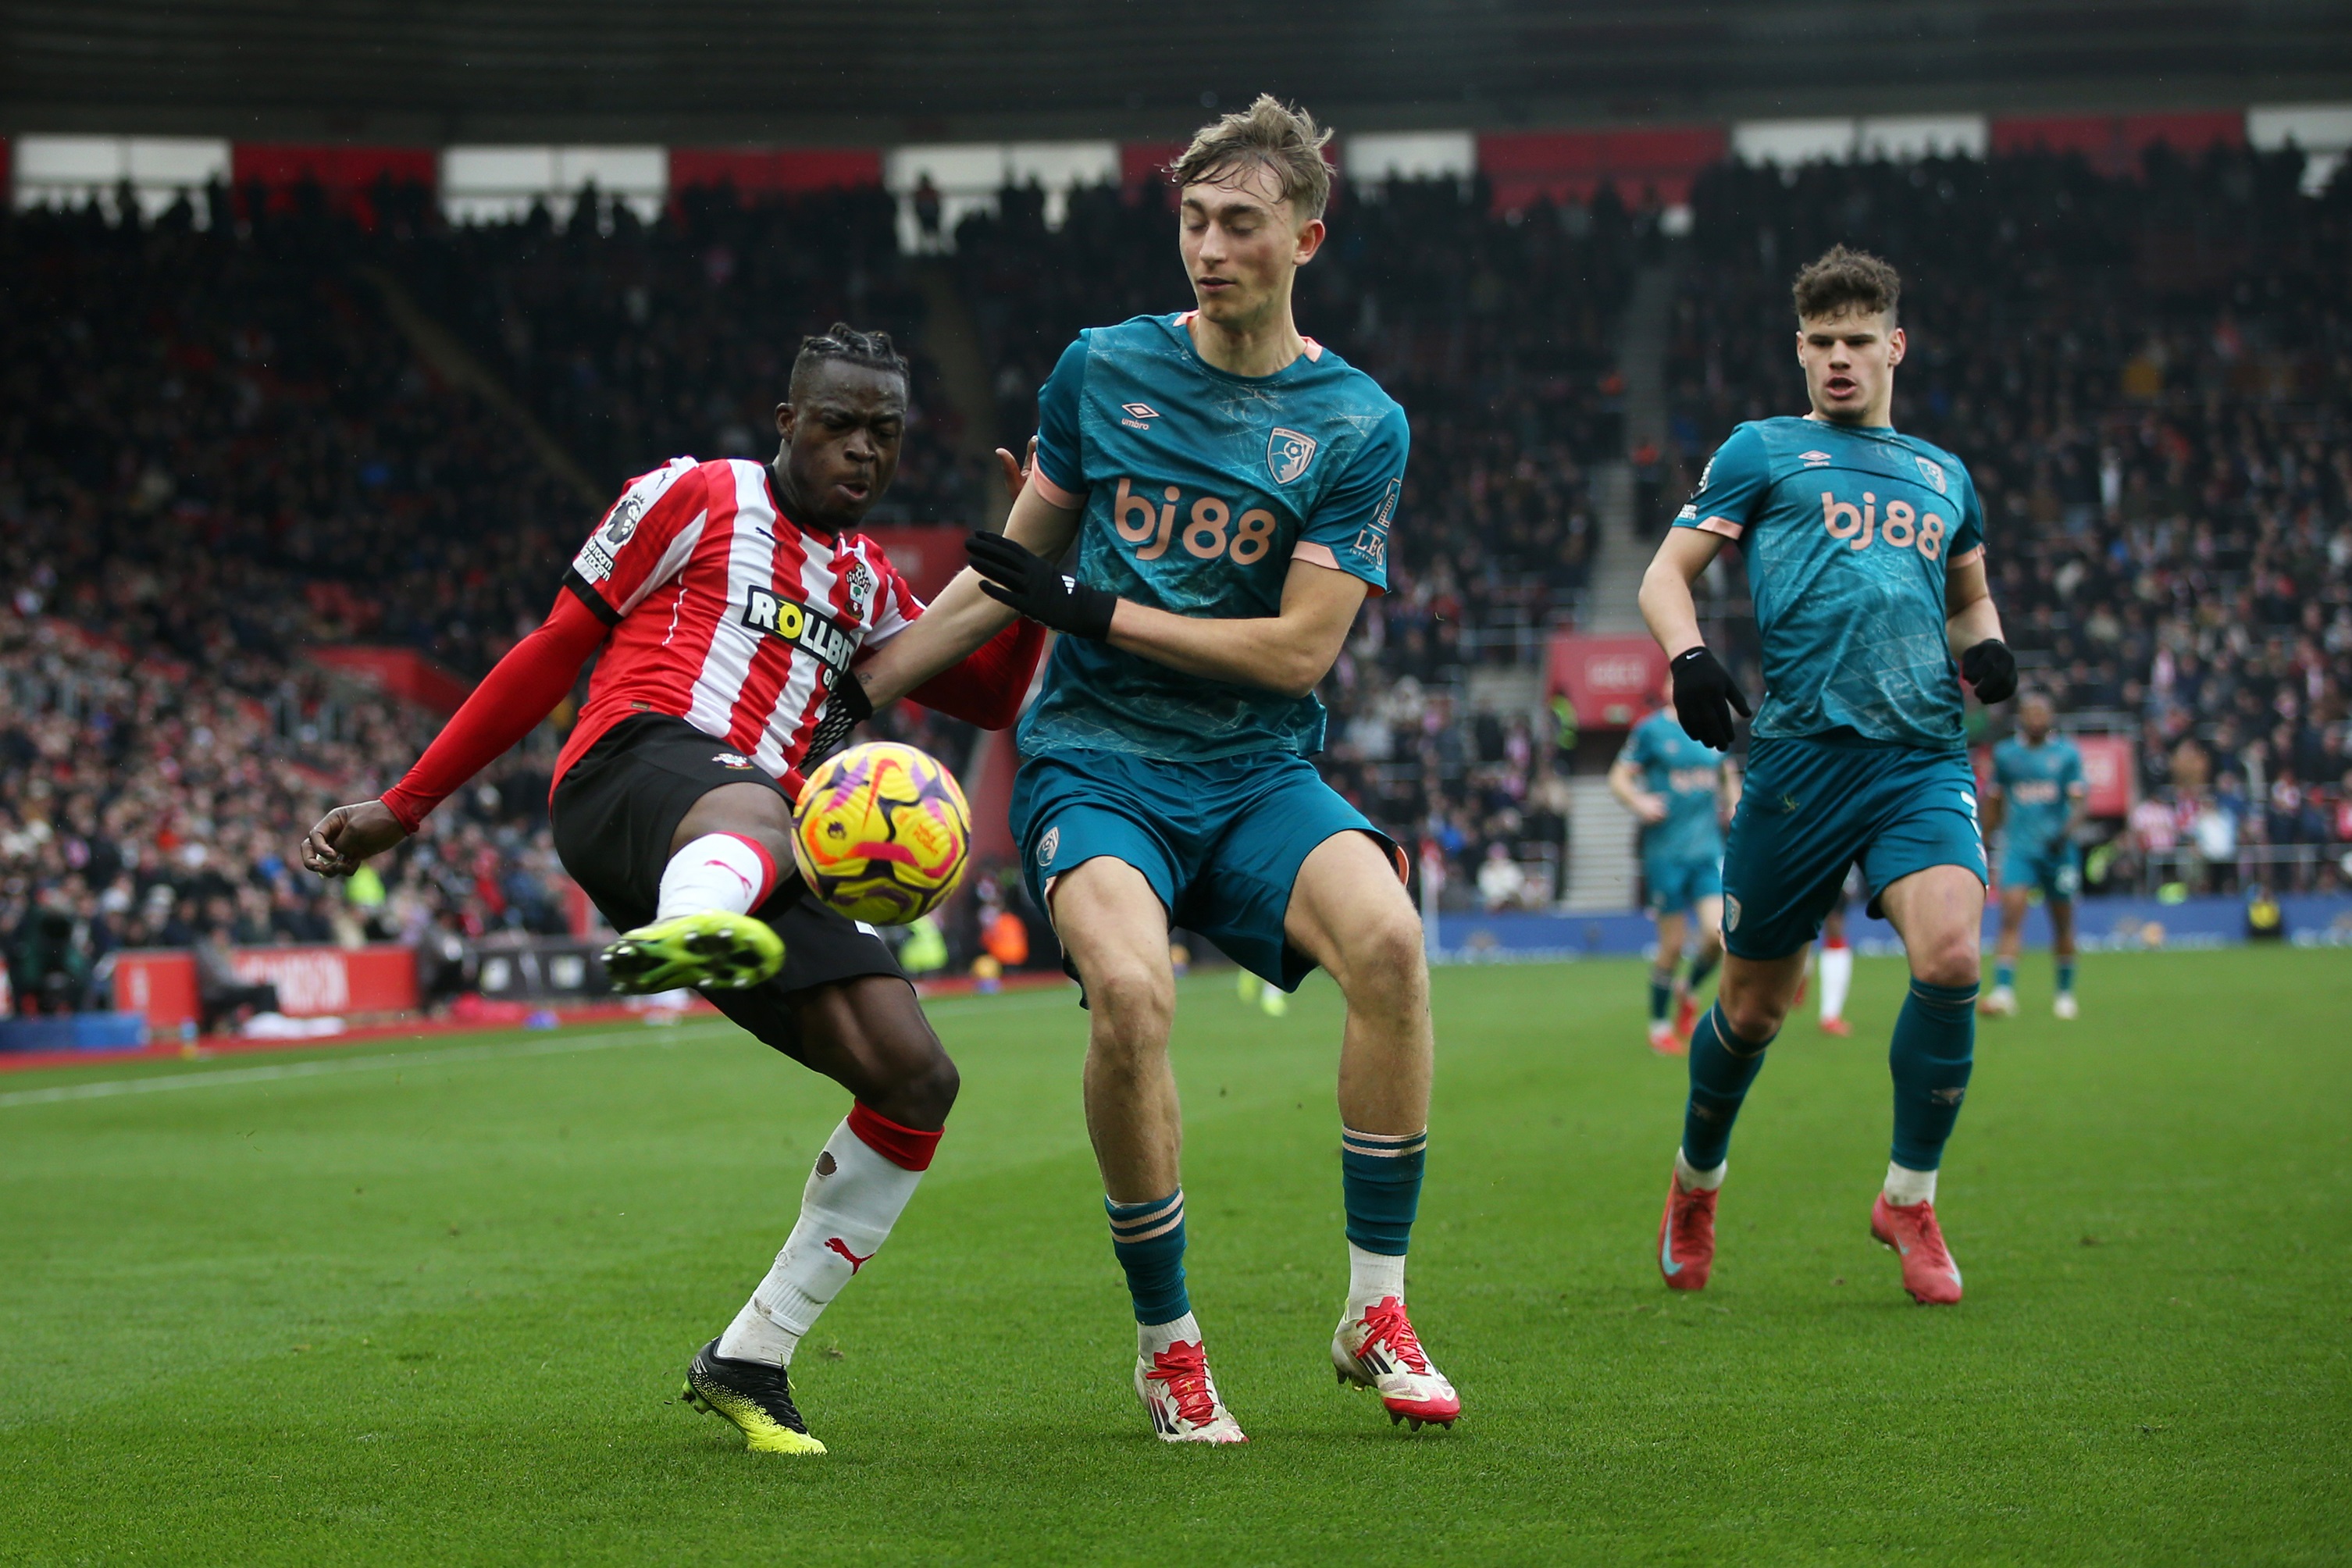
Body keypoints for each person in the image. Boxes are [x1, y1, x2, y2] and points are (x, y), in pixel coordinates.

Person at [299, 326, 1044, 1456]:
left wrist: (1038, 552)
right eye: (837, 423)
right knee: (756, 804)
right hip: (630, 774)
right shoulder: (692, 495)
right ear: (786, 420)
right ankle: (697, 927)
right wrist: (407, 805)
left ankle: (751, 1354)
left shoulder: (867, 580)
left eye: (883, 433)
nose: (860, 450)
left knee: (915, 1076)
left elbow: (988, 695)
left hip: (768, 846)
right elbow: (555, 646)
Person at [853, 97, 1457, 1442]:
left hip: (1253, 768)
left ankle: (1374, 1304)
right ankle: (1168, 1342)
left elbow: (1300, 652)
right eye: (1191, 220)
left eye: (1239, 223)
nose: (1208, 246)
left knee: (1393, 947)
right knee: (1130, 997)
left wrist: (1099, 609)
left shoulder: (1358, 422)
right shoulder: (1101, 369)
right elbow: (1012, 578)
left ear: (1304, 236)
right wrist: (864, 686)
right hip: (1098, 763)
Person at [1637, 246, 2016, 1308]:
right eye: (1821, 343)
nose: (1840, 359)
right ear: (1799, 351)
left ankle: (1909, 1196)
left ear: (1894, 346)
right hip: (1802, 764)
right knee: (1754, 1009)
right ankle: (1695, 1183)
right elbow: (1665, 574)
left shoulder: (1946, 476)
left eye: (1859, 341)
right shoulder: (1765, 452)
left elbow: (1969, 598)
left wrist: (1986, 646)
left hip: (1920, 757)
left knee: (1949, 955)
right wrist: (1689, 657)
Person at [1609, 675, 1739, 1055]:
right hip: (1665, 854)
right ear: (1667, 690)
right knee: (1674, 944)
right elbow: (1617, 776)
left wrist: (1735, 803)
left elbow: (1725, 772)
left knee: (1719, 936)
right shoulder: (1651, 732)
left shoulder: (1713, 726)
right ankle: (1660, 1026)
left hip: (1706, 852)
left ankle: (1689, 988)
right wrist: (1638, 802)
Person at [1982, 690, 2089, 1019]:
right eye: (2031, 713)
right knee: (2011, 915)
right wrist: (1986, 839)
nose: (2036, 719)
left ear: (2051, 717)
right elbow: (1996, 800)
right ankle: (2003, 991)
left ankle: (2065, 994)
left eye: (2042, 713)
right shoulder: (2006, 755)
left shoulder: (2066, 755)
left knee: (2062, 922)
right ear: (2021, 717)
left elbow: (2081, 802)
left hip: (2057, 850)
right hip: (2019, 848)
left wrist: (2065, 833)